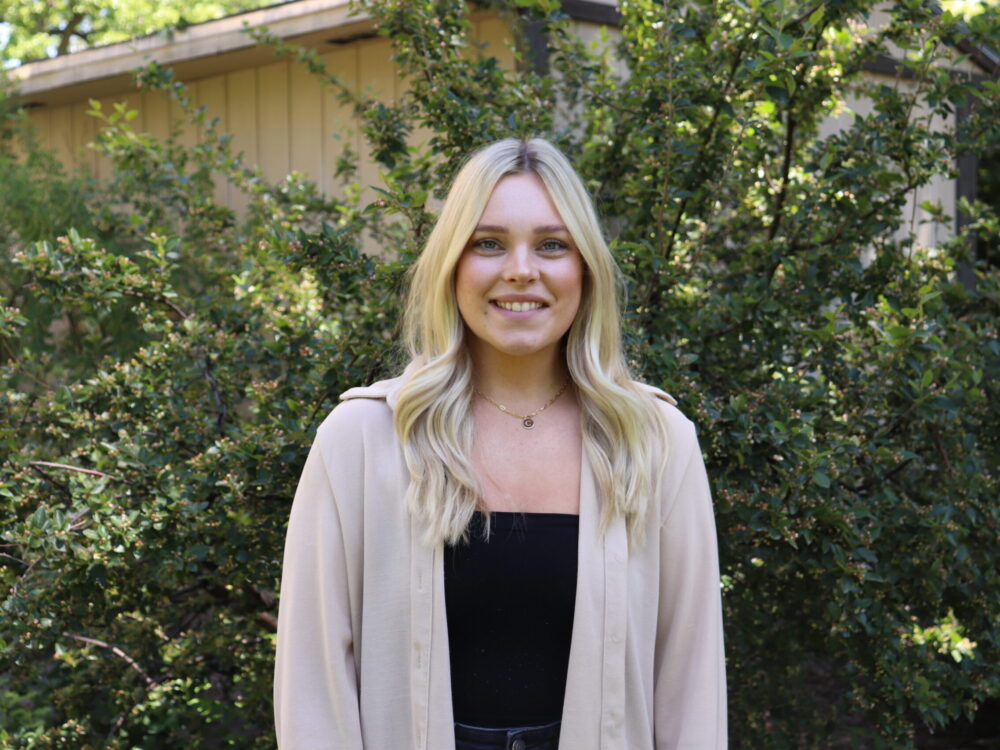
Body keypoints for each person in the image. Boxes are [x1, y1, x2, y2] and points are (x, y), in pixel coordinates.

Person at [273, 138, 727, 750]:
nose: (521, 269)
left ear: (584, 269)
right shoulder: (363, 439)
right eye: (488, 243)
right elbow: (313, 684)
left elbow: (691, 683)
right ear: (452, 266)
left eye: (551, 245)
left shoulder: (654, 443)